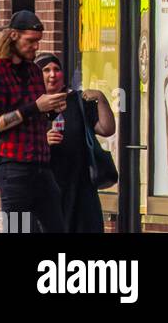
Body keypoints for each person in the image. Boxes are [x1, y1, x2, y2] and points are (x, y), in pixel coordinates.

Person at [0, 10, 65, 232]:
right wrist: (35, 107)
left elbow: (39, 118)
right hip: (13, 167)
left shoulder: (33, 71)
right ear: (13, 36)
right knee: (20, 229)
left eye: (38, 42)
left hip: (41, 165)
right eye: (30, 41)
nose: (35, 47)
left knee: (57, 227)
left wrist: (51, 110)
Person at [36, 53, 116, 233]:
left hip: (80, 186)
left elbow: (107, 129)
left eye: (57, 70)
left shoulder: (77, 101)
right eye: (46, 70)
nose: (52, 74)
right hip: (48, 186)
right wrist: (43, 142)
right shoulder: (31, 106)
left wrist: (101, 99)